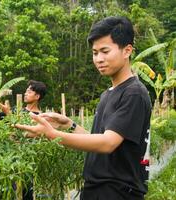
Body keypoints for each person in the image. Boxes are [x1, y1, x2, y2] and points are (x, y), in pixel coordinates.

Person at [15, 16, 152, 200]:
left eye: (105, 51)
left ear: (127, 50)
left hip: (117, 192)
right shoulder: (109, 93)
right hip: (97, 189)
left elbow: (108, 143)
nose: (99, 59)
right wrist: (68, 125)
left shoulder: (133, 93)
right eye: (95, 53)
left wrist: (51, 135)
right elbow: (98, 138)